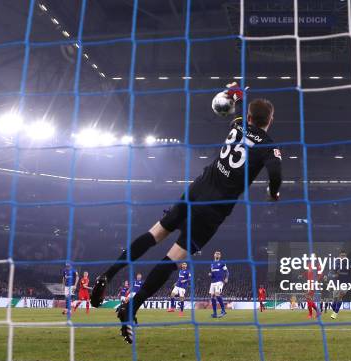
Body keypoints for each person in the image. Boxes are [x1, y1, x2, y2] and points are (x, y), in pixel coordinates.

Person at [90, 82, 282, 343]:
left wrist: (235, 93)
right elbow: (276, 171)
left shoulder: (237, 125)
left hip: (197, 189)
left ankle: (108, 274)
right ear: (270, 121)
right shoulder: (268, 145)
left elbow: (232, 108)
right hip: (214, 208)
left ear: (249, 117)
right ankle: (131, 307)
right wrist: (273, 192)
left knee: (155, 232)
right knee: (173, 256)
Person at [330, 250, 351, 320]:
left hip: (345, 283)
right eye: (342, 256)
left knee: (340, 297)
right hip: (337, 283)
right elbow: (334, 270)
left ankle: (335, 314)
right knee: (334, 302)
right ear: (339, 256)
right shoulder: (336, 262)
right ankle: (334, 310)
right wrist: (336, 272)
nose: (343, 257)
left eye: (344, 256)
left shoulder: (348, 263)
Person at [209, 251, 229, 318]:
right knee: (212, 296)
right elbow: (212, 274)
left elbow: (227, 271)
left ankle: (223, 310)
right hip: (213, 282)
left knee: (217, 294)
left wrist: (226, 278)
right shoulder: (211, 264)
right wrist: (210, 274)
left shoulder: (222, 263)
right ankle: (214, 313)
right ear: (214, 255)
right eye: (216, 253)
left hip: (219, 281)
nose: (217, 254)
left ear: (220, 256)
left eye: (219, 254)